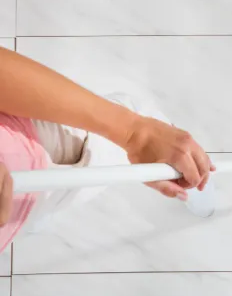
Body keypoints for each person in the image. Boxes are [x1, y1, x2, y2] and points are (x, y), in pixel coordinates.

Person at [0, 46, 214, 229]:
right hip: (16, 208)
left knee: (97, 158)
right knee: (60, 197)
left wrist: (136, 134)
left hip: (28, 140)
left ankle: (138, 118)